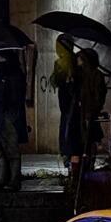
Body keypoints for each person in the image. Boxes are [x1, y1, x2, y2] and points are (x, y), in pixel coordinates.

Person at [0, 47, 28, 191]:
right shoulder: (4, 72)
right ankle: (2, 180)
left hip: (7, 117)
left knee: (10, 150)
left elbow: (7, 96)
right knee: (1, 151)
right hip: (0, 117)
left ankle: (13, 180)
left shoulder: (10, 73)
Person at [49, 34, 81, 170]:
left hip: (70, 103)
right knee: (69, 129)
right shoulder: (73, 61)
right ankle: (70, 159)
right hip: (69, 103)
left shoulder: (65, 62)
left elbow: (55, 82)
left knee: (69, 130)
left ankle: (69, 158)